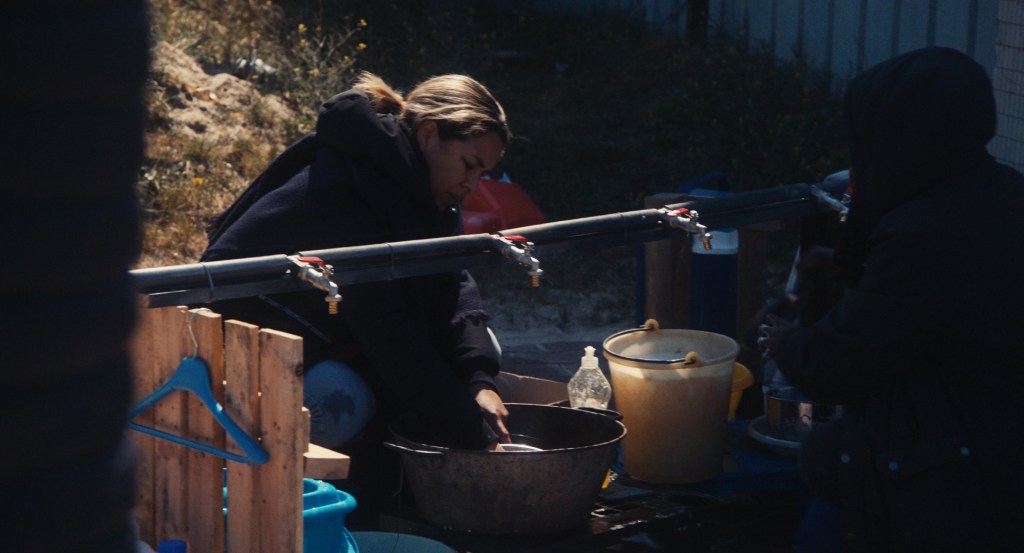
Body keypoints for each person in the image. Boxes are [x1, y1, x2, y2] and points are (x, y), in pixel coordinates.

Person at [758, 47, 1024, 551]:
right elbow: (926, 308)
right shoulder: (1003, 190)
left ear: (901, 136)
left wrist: (788, 342)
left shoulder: (926, 231)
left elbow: (845, 361)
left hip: (975, 467)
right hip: (1003, 424)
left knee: (830, 455)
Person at [202, 71, 512, 457]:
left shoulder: (428, 192)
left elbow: (453, 282)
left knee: (483, 350)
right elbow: (386, 330)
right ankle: (282, 477)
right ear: (429, 134)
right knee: (339, 404)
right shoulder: (351, 188)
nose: (473, 186)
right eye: (469, 165)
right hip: (243, 348)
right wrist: (473, 435)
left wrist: (480, 382)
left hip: (333, 332)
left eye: (482, 173)